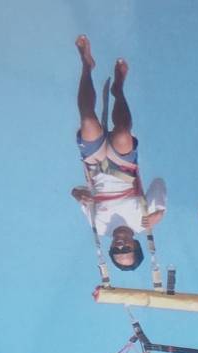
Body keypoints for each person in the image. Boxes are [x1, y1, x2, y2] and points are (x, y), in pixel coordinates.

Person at [71, 35, 166, 271]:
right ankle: (119, 89)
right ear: (135, 244)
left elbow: (77, 192)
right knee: (123, 133)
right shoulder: (144, 223)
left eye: (116, 251)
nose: (120, 246)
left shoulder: (99, 227)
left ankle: (86, 67)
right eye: (127, 250)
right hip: (123, 167)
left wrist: (78, 195)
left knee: (88, 119)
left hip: (96, 166)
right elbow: (158, 183)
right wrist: (160, 213)